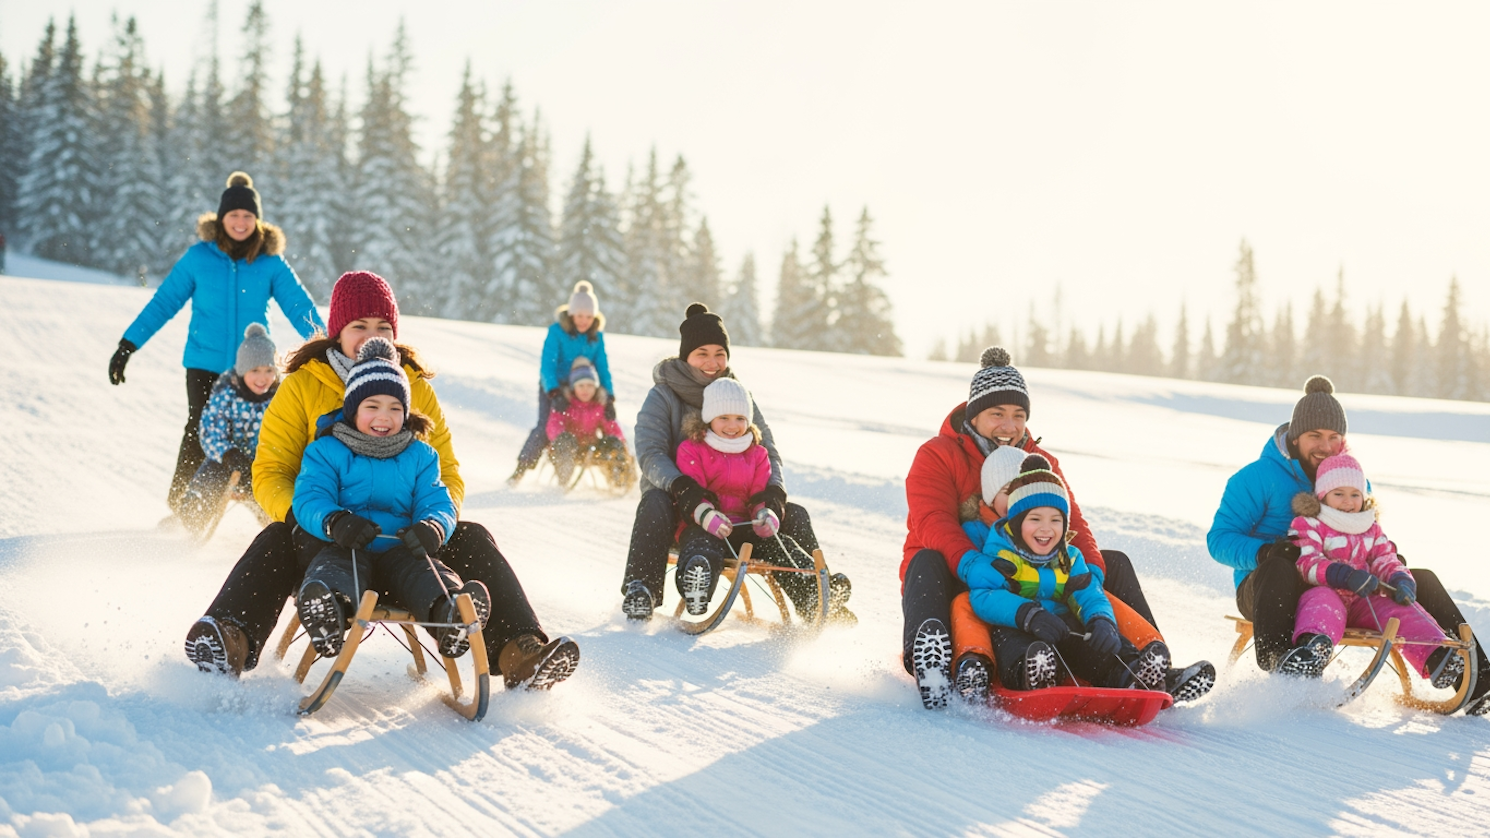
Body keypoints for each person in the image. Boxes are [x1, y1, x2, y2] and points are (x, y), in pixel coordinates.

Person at [184, 270, 578, 692]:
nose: (371, 335)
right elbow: (270, 472)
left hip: (407, 543)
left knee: (474, 537)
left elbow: (444, 472)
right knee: (276, 539)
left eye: (383, 327)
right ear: (338, 331)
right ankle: (230, 637)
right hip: (325, 538)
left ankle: (521, 654)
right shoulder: (302, 385)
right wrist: (313, 519)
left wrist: (433, 525)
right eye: (359, 326)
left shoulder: (414, 387)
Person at [901, 347, 1213, 709]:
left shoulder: (1041, 461)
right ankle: (933, 665)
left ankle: (1152, 666)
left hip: (1037, 570)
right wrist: (974, 565)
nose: (1009, 426)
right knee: (926, 561)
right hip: (965, 569)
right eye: (997, 414)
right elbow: (932, 522)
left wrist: (1089, 575)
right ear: (975, 415)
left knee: (1115, 563)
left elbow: (1072, 523)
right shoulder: (939, 454)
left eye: (1018, 415)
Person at [1208, 375, 1487, 715]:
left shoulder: (1353, 478)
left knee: (1420, 577)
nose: (1325, 446)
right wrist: (1264, 552)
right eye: (1315, 436)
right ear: (1295, 437)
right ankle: (1282, 669)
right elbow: (1219, 539)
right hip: (1269, 588)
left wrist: (1390, 563)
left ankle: (1479, 682)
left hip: (1344, 584)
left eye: (1334, 437)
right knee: (1280, 567)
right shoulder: (1256, 478)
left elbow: (1367, 532)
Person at [108, 172, 324, 513]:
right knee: (199, 430)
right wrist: (128, 344)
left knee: (267, 436)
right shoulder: (199, 258)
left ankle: (269, 506)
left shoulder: (270, 262)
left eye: (248, 216)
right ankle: (183, 506)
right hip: (204, 363)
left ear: (258, 220)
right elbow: (164, 302)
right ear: (221, 218)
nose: (241, 222)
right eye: (234, 215)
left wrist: (324, 345)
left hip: (253, 368)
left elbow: (300, 306)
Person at [620, 303, 824, 621]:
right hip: (681, 503)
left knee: (794, 514)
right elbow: (650, 453)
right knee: (655, 502)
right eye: (702, 353)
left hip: (741, 510)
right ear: (686, 356)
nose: (712, 362)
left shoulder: (739, 395)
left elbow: (767, 450)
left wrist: (772, 497)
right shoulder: (663, 396)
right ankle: (641, 590)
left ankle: (818, 596)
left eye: (719, 353)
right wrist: (682, 486)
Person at [292, 337, 488, 659]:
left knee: (429, 575)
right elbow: (310, 497)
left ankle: (452, 615)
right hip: (348, 546)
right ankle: (330, 613)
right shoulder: (326, 451)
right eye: (372, 406)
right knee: (332, 569)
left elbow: (437, 499)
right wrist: (336, 521)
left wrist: (433, 527)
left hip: (402, 551)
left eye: (395, 408)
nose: (384, 417)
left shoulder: (421, 456)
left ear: (406, 412)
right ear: (353, 410)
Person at [960, 455, 1157, 691]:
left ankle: (1132, 673)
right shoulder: (1000, 556)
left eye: (1056, 520)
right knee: (1014, 644)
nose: (1046, 528)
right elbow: (985, 597)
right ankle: (1033, 673)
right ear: (1016, 523)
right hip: (1017, 624)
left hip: (1063, 627)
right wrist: (1027, 614)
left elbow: (1089, 593)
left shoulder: (1070, 557)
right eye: (1035, 519)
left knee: (1100, 642)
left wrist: (1101, 620)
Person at [672, 377, 850, 618]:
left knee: (780, 545)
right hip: (705, 525)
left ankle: (814, 596)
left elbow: (759, 494)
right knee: (701, 547)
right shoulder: (692, 449)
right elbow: (692, 492)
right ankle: (697, 587)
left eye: (740, 419)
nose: (732, 425)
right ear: (709, 418)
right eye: (723, 417)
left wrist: (765, 515)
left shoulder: (757, 453)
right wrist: (708, 516)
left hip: (746, 530)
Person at [1282, 452, 1462, 686]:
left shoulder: (1370, 527)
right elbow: (1307, 563)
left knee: (1399, 609)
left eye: (1355, 494)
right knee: (1322, 606)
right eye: (1339, 494)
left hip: (1363, 599)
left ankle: (1436, 657)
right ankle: (1311, 651)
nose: (1348, 501)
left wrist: (1400, 579)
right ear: (1323, 496)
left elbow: (1384, 558)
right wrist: (1342, 575)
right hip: (1326, 591)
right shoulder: (1310, 523)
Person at [510, 281, 617, 485]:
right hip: (555, 387)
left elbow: (602, 367)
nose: (584, 321)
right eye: (579, 316)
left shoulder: (596, 337)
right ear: (571, 314)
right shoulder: (557, 332)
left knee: (597, 421)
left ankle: (615, 473)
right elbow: (547, 365)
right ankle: (521, 470)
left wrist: (609, 396)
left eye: (588, 316)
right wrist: (553, 392)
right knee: (545, 427)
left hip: (582, 386)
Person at [176, 324, 278, 535]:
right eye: (255, 370)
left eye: (269, 370)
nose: (263, 378)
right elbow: (210, 431)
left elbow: (286, 434)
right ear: (242, 370)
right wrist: (228, 453)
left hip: (261, 466)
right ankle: (193, 515)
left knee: (272, 496)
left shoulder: (279, 399)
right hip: (227, 461)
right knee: (209, 479)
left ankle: (278, 528)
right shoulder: (227, 395)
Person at [545, 359, 628, 487]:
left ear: (595, 387)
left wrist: (619, 440)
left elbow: (611, 427)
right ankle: (563, 481)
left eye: (590, 386)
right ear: (574, 387)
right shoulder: (565, 403)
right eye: (581, 386)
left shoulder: (599, 405)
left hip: (592, 450)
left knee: (614, 442)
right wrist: (559, 438)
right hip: (570, 449)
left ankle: (619, 482)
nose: (586, 390)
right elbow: (554, 425)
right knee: (565, 440)